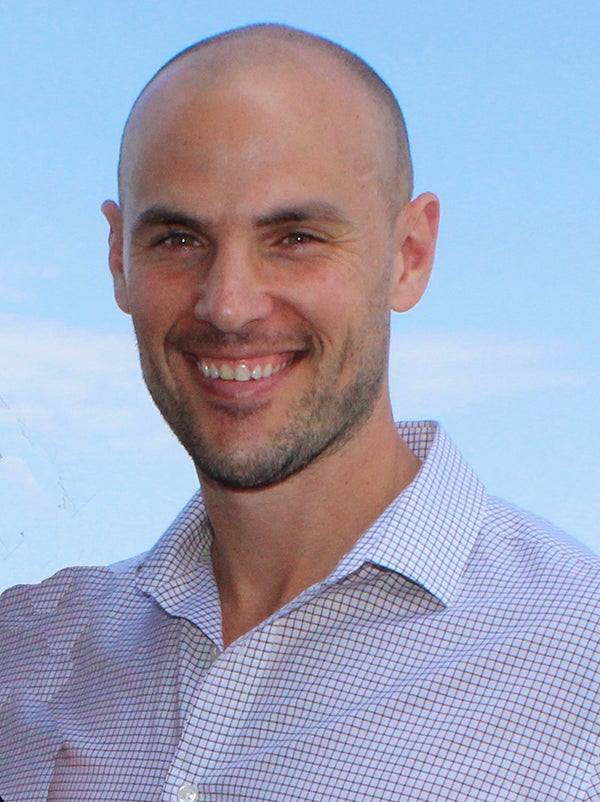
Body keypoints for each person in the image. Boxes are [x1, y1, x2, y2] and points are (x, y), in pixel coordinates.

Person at [1, 23, 598, 802]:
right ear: (119, 260)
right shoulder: (32, 658)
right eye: (179, 238)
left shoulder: (577, 662)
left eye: (295, 237)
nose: (229, 306)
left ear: (408, 255)